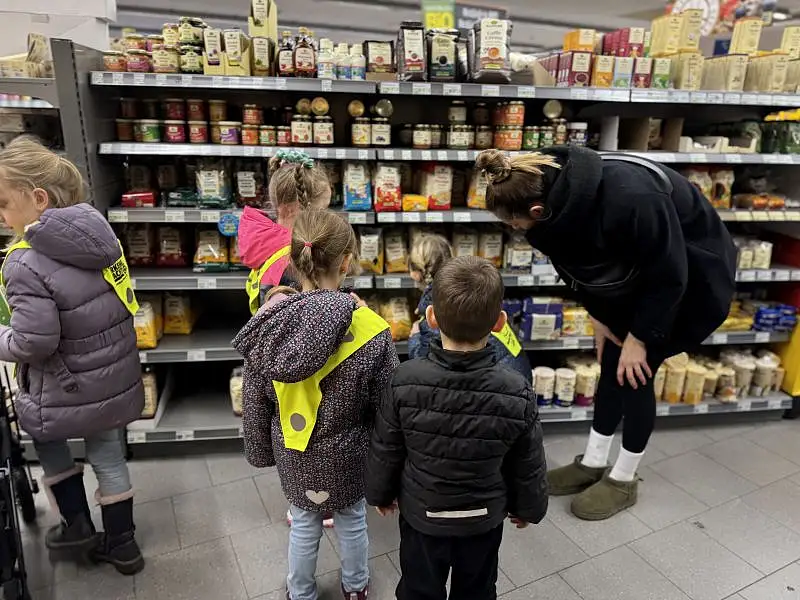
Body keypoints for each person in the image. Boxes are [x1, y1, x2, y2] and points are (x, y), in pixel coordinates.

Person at [475, 146, 737, 520]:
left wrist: (641, 337)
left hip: (690, 278)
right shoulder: (551, 203)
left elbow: (670, 273)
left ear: (536, 211)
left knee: (635, 374)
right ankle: (594, 462)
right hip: (634, 276)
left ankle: (624, 477)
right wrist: (599, 316)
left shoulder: (632, 197)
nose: (512, 230)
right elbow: (575, 265)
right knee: (613, 362)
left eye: (512, 223)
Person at [232, 209, 399, 600]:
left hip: (295, 451)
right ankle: (356, 587)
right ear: (346, 261)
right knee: (353, 521)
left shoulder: (269, 328)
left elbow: (255, 400)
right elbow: (386, 407)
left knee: (304, 524)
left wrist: (259, 451)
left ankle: (300, 592)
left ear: (292, 259)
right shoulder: (371, 329)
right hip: (349, 454)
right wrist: (388, 466)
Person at [0, 138, 145, 574]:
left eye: (4, 203)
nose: (2, 215)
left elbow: (33, 342)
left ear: (37, 198)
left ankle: (77, 524)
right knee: (108, 454)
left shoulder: (23, 263)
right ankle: (124, 544)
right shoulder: (100, 234)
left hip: (59, 385)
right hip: (110, 377)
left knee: (49, 443)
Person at [366, 255, 548, 600]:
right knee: (477, 590)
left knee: (420, 588)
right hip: (483, 518)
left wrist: (379, 493)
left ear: (431, 318)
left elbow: (386, 446)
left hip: (422, 515)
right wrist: (529, 507)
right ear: (499, 323)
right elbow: (528, 460)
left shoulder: (405, 380)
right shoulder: (516, 388)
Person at [237, 149, 335, 527]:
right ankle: (316, 501)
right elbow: (312, 323)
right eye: (325, 210)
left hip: (276, 359)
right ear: (306, 211)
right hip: (305, 363)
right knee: (315, 429)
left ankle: (301, 494)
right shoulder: (295, 263)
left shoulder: (268, 243)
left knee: (291, 430)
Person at [407, 233, 532, 382]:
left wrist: (415, 338)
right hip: (518, 381)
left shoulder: (441, 307)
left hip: (498, 391)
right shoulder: (472, 292)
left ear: (415, 274)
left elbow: (428, 369)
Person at [238, 149, 332, 315]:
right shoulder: (291, 261)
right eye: (320, 211)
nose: (324, 217)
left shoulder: (269, 243)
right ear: (290, 209)